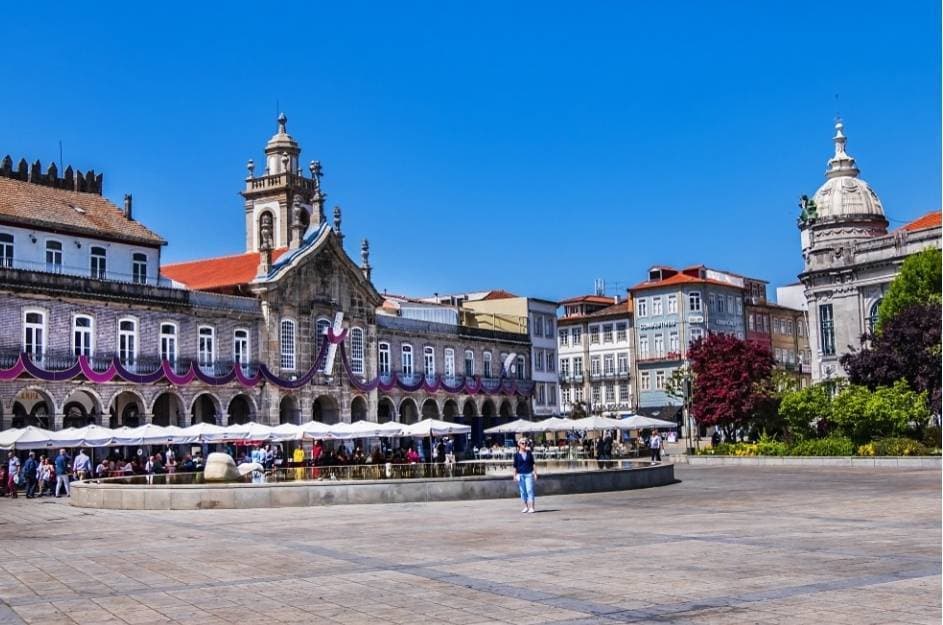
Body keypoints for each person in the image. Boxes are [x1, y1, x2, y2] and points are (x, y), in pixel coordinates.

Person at [513, 438, 537, 513]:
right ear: (519, 444)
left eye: (525, 443)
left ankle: (532, 507)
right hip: (520, 475)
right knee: (523, 491)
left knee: (529, 490)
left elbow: (533, 464)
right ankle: (525, 507)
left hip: (529, 474)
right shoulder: (516, 455)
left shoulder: (529, 453)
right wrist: (514, 476)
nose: (524, 445)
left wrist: (535, 473)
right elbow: (515, 466)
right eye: (523, 443)